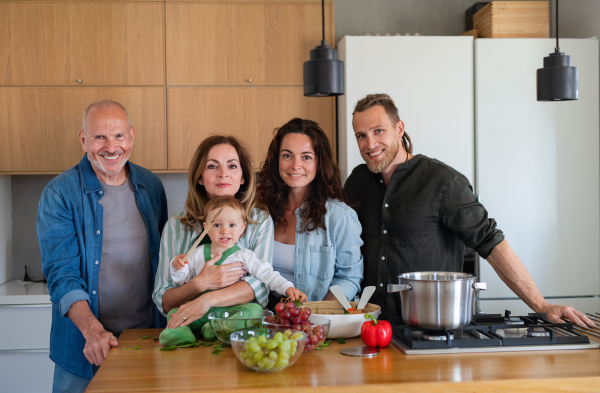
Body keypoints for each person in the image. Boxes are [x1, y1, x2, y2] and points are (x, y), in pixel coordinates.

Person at [344, 93, 595, 327]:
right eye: (361, 135)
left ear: (399, 129)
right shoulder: (357, 182)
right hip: (368, 328)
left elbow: (491, 243)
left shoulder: (443, 182)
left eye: (378, 131)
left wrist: (541, 304)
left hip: (431, 330)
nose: (370, 143)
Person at [37, 100, 168, 393]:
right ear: (84, 140)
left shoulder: (151, 186)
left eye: (119, 136)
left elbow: (163, 262)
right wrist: (93, 331)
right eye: (100, 137)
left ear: (131, 136)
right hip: (86, 345)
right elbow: (62, 274)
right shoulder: (59, 193)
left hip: (147, 339)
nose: (111, 147)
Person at [153, 135, 274, 330]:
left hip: (238, 331)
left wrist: (207, 300)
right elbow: (164, 301)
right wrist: (199, 284)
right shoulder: (176, 226)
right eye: (212, 166)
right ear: (199, 176)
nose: (223, 173)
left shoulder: (259, 221)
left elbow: (260, 286)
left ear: (243, 177)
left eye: (232, 166)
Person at [159, 197, 307, 345]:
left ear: (242, 228)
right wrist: (178, 267)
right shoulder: (197, 253)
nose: (225, 231)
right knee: (174, 314)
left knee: (254, 310)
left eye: (232, 225)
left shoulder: (245, 255)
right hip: (201, 312)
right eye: (217, 225)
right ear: (206, 228)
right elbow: (181, 280)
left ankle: (218, 327)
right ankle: (184, 334)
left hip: (232, 312)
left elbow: (267, 274)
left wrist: (288, 287)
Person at [257, 118, 363, 306]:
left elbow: (349, 279)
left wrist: (314, 314)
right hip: (263, 317)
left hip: (314, 321)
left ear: (319, 163)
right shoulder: (259, 211)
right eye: (287, 155)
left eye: (306, 157)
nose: (295, 165)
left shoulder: (340, 217)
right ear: (277, 160)